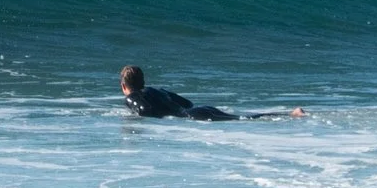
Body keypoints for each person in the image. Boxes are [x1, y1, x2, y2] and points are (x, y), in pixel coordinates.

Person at [118, 65, 296, 121]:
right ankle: (290, 113)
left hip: (194, 117)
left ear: (124, 86)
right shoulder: (157, 90)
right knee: (241, 117)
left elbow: (144, 110)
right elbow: (188, 103)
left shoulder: (131, 97)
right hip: (199, 110)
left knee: (241, 119)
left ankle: (291, 114)